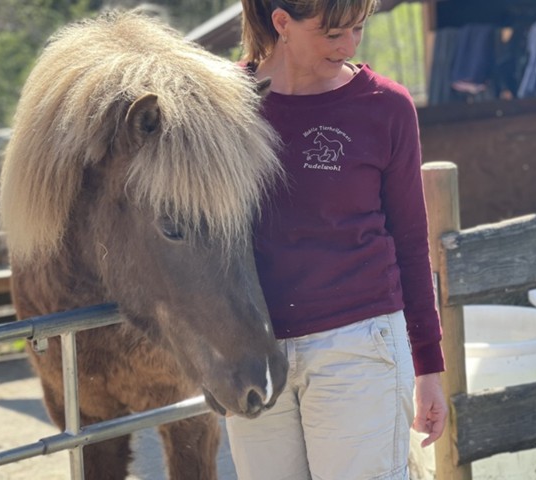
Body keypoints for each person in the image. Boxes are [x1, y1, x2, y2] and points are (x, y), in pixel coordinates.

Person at [226, 1, 448, 479]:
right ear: (281, 22)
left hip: (359, 346)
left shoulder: (386, 107)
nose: (347, 45)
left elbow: (411, 242)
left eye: (358, 30)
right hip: (252, 351)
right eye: (331, 34)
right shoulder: (224, 104)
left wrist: (428, 365)